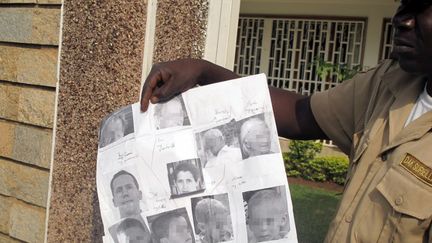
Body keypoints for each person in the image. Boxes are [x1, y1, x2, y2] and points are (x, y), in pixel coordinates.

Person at [140, 1, 432, 241]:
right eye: (403, 5)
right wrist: (203, 72)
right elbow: (302, 114)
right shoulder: (390, 82)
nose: (401, 21)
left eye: (422, 8)